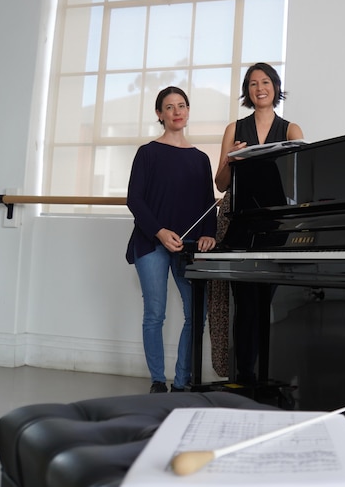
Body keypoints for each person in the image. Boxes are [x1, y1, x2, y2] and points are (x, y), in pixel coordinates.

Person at [213, 62, 303, 384]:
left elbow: (299, 184)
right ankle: (243, 376)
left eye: (266, 82)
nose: (260, 88)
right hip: (240, 226)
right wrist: (231, 160)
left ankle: (270, 375)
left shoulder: (291, 129)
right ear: (247, 91)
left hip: (276, 229)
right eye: (253, 83)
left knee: (268, 302)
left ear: (276, 87)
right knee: (245, 305)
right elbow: (221, 184)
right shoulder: (234, 129)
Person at [126, 86, 217, 394]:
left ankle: (181, 381)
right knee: (155, 312)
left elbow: (208, 202)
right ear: (159, 114)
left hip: (187, 247)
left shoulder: (201, 159)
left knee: (196, 314)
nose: (177, 111)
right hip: (151, 242)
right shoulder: (147, 153)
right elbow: (135, 200)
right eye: (169, 107)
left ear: (188, 111)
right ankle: (157, 381)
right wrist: (160, 232)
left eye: (182, 105)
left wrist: (209, 233)